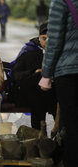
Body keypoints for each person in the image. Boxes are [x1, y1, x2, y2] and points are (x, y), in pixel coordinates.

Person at [39, 0, 78, 166]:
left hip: (70, 73)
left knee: (73, 128)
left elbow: (54, 40)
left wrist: (46, 74)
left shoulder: (62, 1)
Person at [9, 22, 57, 130]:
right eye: (44, 38)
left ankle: (45, 131)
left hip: (50, 94)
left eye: (51, 39)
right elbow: (15, 75)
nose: (47, 42)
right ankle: (41, 131)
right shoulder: (29, 51)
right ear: (39, 37)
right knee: (38, 79)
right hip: (28, 94)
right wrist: (33, 72)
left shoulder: (60, 52)